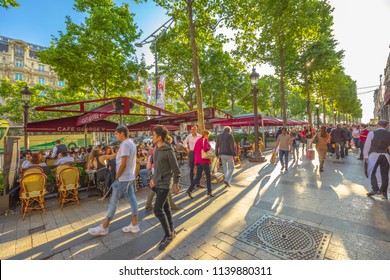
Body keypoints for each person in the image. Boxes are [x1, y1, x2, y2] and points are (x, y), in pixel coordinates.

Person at [88, 125, 140, 236]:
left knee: (113, 202)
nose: (115, 135)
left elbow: (124, 163)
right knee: (132, 198)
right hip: (129, 176)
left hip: (123, 177)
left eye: (116, 133)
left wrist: (117, 176)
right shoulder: (131, 143)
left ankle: (104, 227)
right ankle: (134, 225)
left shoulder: (125, 144)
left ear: (122, 133)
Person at [150, 125, 181, 251]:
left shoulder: (168, 150)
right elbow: (157, 167)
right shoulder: (156, 149)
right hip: (157, 183)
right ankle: (171, 231)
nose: (152, 137)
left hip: (165, 183)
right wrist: (153, 178)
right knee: (166, 207)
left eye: (153, 135)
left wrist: (176, 183)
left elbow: (176, 169)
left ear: (159, 137)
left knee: (157, 209)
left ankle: (168, 235)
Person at [145, 136, 180, 210]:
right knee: (159, 187)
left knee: (161, 187)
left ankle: (150, 203)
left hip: (158, 169)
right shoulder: (160, 147)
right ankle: (169, 205)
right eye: (169, 141)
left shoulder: (159, 147)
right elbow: (152, 159)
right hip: (159, 169)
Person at [364, 120, 390, 199]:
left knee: (371, 172)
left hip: (374, 155)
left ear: (378, 125)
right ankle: (384, 191)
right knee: (385, 173)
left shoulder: (372, 133)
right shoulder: (389, 134)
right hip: (385, 155)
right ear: (386, 126)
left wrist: (365, 155)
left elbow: (367, 145)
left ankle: (375, 189)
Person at [187, 130, 214, 198]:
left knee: (198, 176)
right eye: (208, 135)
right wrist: (209, 146)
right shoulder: (204, 140)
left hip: (198, 160)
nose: (208, 136)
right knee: (208, 176)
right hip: (204, 160)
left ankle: (190, 189)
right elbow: (205, 149)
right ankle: (209, 192)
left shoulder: (198, 140)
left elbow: (195, 150)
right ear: (206, 134)